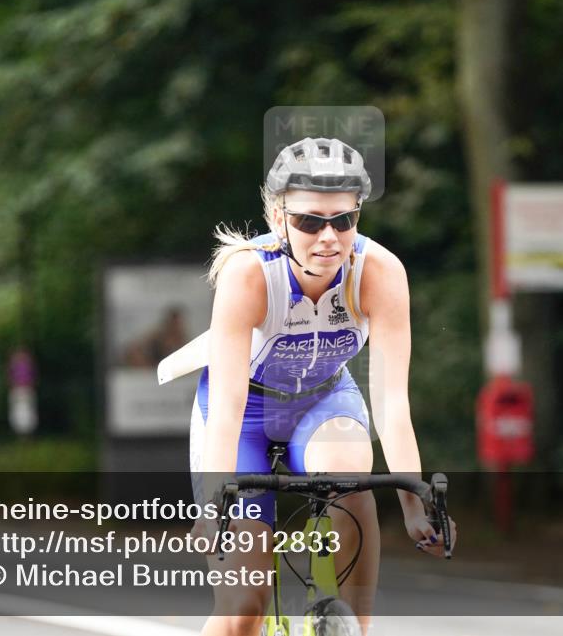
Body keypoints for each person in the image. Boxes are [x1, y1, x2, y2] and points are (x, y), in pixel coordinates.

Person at [189, 137, 456, 636]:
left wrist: (415, 504)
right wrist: (211, 505)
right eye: (310, 221)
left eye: (344, 220)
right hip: (242, 416)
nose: (328, 237)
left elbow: (393, 405)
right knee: (243, 608)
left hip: (323, 401)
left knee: (352, 474)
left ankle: (353, 627)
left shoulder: (379, 272)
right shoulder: (249, 275)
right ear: (277, 217)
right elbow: (227, 405)